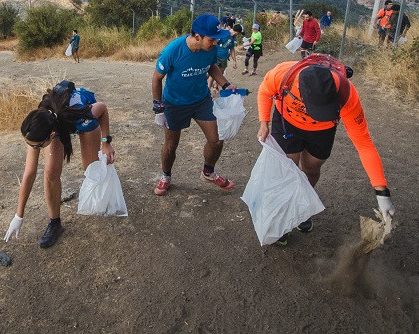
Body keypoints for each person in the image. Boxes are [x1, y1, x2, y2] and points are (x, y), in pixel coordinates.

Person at [256, 54, 394, 245]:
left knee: (311, 169)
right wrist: (264, 122)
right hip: (288, 123)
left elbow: (364, 143)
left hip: (322, 131)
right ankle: (282, 218)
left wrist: (382, 193)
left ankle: (302, 205)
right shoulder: (283, 74)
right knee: (286, 170)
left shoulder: (346, 94)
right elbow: (264, 91)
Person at [4, 81, 113, 248]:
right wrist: (19, 216)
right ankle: (55, 223)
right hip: (59, 122)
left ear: (52, 135)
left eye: (37, 146)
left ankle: (104, 194)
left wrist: (106, 143)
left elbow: (103, 108)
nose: (34, 149)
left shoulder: (84, 116)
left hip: (79, 118)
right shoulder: (38, 123)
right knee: (51, 173)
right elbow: (29, 173)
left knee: (91, 168)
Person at [152, 13, 237, 196]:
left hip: (201, 100)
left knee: (216, 140)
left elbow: (211, 66)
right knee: (171, 145)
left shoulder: (210, 49)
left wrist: (225, 84)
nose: (215, 43)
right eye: (212, 39)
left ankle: (208, 172)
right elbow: (157, 78)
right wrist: (158, 107)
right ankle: (166, 175)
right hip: (174, 103)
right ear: (197, 36)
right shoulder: (173, 50)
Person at [210, 21, 239, 89]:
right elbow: (215, 42)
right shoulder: (224, 33)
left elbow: (232, 49)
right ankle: (208, 87)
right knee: (213, 72)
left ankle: (216, 86)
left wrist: (234, 61)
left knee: (221, 73)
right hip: (216, 56)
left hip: (224, 57)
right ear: (237, 32)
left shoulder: (233, 38)